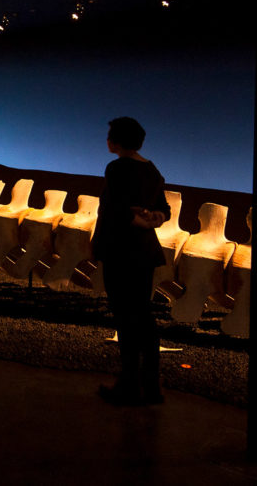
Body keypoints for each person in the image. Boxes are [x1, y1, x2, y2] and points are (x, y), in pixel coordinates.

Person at [91, 117, 170, 406]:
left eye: (110, 136)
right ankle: (151, 385)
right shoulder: (151, 169)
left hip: (120, 249)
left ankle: (128, 384)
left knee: (125, 317)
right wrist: (155, 219)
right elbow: (164, 207)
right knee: (144, 315)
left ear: (117, 141)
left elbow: (114, 207)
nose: (107, 140)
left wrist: (137, 220)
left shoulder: (116, 168)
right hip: (145, 251)